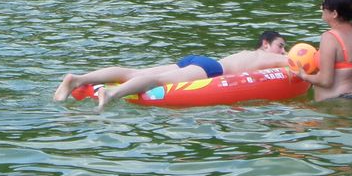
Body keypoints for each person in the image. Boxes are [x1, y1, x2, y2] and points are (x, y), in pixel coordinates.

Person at [52, 31, 289, 109]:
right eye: (280, 46)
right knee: (155, 80)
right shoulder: (265, 56)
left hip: (198, 60)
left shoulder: (249, 54)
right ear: (265, 43)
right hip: (212, 68)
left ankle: (78, 79)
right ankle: (112, 94)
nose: (282, 51)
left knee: (135, 72)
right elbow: (294, 63)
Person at [293, 0, 352, 100]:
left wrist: (304, 76)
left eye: (323, 6)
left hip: (336, 103)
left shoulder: (330, 37)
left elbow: (325, 81)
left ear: (334, 13)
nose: (321, 8)